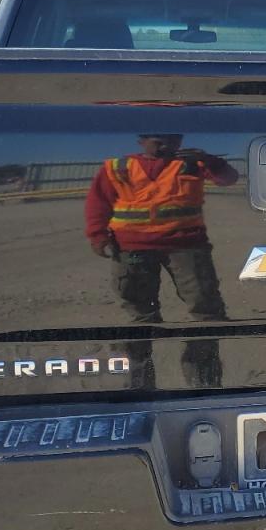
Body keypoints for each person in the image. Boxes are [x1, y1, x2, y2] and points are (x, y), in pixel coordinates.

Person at [85, 134, 237, 386]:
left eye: (172, 139)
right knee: (141, 317)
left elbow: (228, 179)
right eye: (158, 140)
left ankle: (204, 382)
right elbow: (98, 203)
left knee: (206, 313)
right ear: (141, 140)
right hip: (132, 249)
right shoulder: (117, 167)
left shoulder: (193, 163)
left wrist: (209, 159)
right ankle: (139, 385)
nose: (166, 145)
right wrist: (97, 236)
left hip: (186, 247)